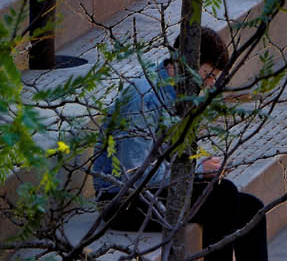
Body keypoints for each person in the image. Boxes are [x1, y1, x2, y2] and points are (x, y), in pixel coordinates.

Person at [94, 26, 268, 261]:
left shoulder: (182, 94)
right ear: (184, 64)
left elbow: (170, 157)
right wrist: (196, 170)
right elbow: (134, 175)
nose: (208, 85)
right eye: (207, 75)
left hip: (155, 190)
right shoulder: (143, 99)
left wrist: (201, 164)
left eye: (213, 79)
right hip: (124, 203)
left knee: (252, 209)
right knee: (223, 195)